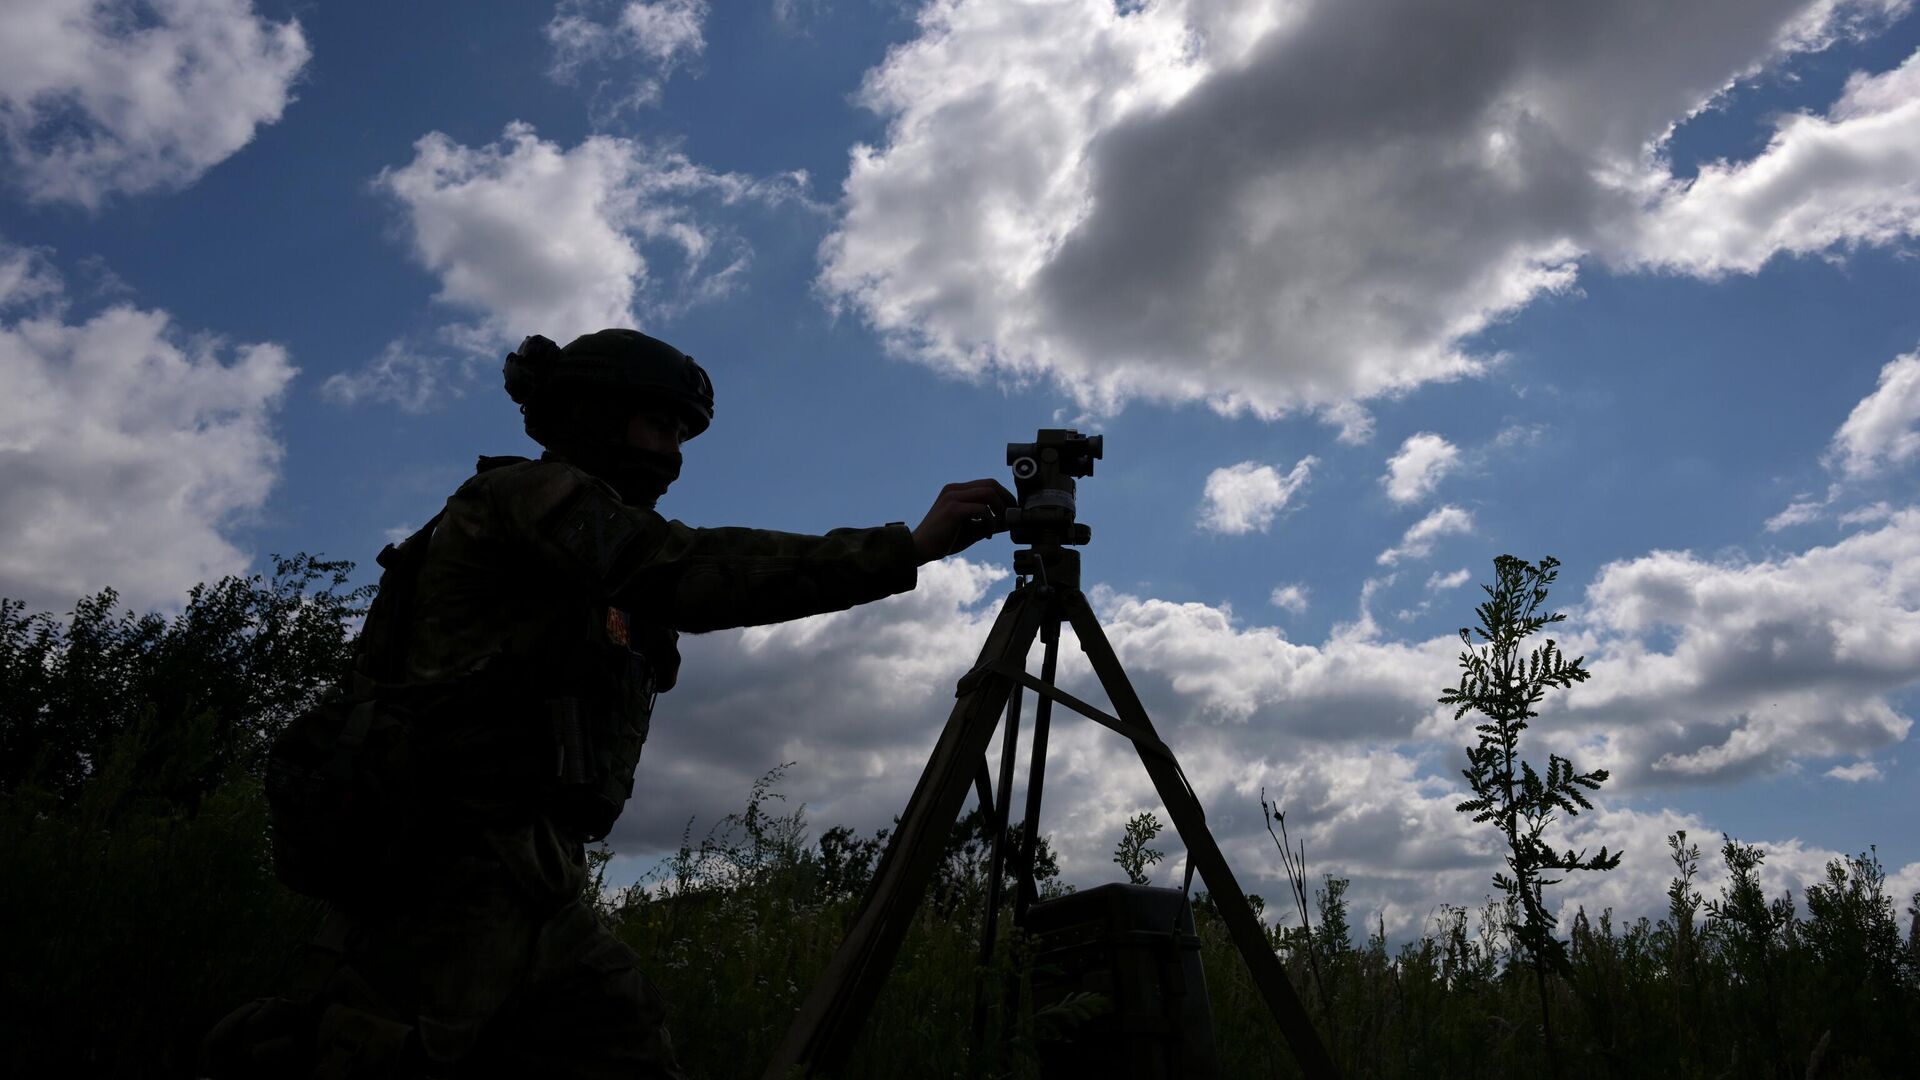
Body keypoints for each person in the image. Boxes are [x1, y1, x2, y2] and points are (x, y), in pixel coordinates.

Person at [204, 328, 1012, 1078]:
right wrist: (900, 549)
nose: (671, 454)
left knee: (623, 1043)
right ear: (591, 419)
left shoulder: (590, 553)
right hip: (445, 861)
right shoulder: (528, 498)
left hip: (536, 875)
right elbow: (688, 570)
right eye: (655, 428)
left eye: (682, 436)